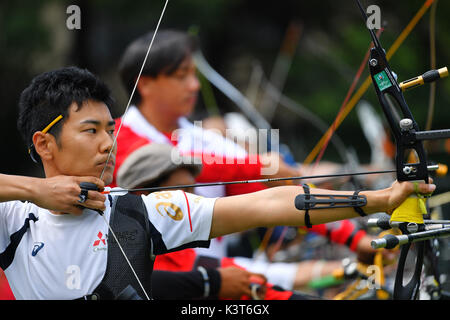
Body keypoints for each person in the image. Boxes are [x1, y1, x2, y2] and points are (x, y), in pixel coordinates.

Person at [0, 66, 434, 300]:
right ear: (45, 143)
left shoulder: (136, 211)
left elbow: (269, 206)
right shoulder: (13, 219)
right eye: (91, 131)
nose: (108, 145)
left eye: (111, 130)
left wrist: (381, 198)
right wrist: (37, 191)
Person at [116, 142, 384, 296]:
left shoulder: (181, 239)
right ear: (144, 197)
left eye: (192, 191)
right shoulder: (160, 254)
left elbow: (277, 203)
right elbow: (253, 280)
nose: (188, 201)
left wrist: (358, 239)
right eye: (181, 193)